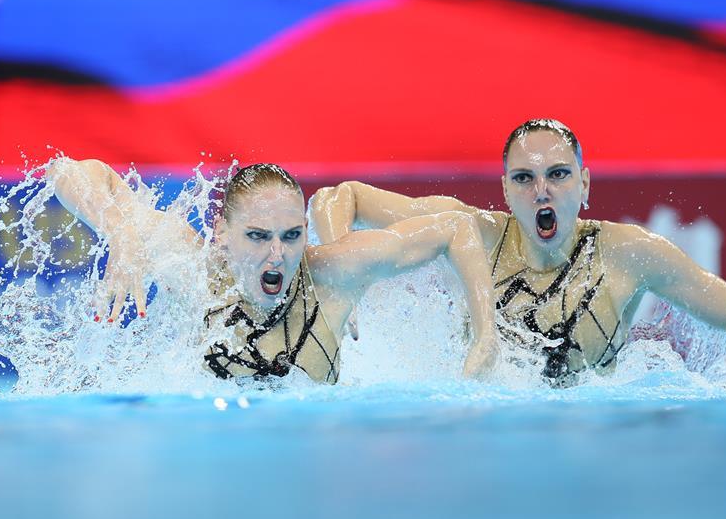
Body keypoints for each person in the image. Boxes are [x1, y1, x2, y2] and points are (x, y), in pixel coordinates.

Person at [311, 119, 726, 388]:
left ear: (584, 184)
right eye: (523, 178)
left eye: (558, 175)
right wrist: (343, 279)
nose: (541, 191)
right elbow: (339, 197)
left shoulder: (629, 253)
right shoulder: (470, 234)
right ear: (505, 189)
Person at [49, 158, 498, 384]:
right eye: (258, 237)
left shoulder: (333, 274)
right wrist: (121, 232)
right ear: (222, 234)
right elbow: (67, 170)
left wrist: (485, 337)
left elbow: (455, 229)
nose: (278, 255)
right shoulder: (194, 271)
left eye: (290, 236)